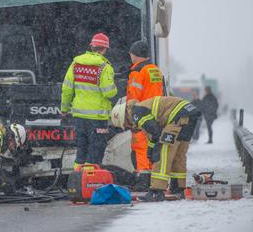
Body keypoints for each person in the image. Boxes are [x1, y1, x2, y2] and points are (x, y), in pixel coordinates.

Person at [111, 96, 201, 202]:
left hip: (177, 115)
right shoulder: (141, 108)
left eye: (126, 125)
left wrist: (155, 150)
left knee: (162, 152)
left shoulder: (136, 113)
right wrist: (150, 148)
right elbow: (153, 133)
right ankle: (178, 188)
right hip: (189, 114)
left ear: (125, 117)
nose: (130, 128)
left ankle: (156, 192)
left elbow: (155, 131)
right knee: (178, 155)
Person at [61, 33, 117, 169]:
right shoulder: (104, 67)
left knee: (81, 152)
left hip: (79, 116)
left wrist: (64, 109)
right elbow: (109, 92)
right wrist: (116, 88)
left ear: (91, 47)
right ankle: (90, 182)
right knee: (95, 152)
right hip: (97, 118)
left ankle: (78, 179)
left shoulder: (75, 64)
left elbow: (67, 89)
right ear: (104, 49)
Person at [126, 40, 164, 172]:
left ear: (135, 55)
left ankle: (143, 177)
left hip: (141, 114)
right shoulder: (156, 70)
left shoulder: (137, 71)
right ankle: (152, 176)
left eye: (131, 54)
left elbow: (133, 97)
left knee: (140, 148)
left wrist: (130, 118)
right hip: (156, 114)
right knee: (152, 148)